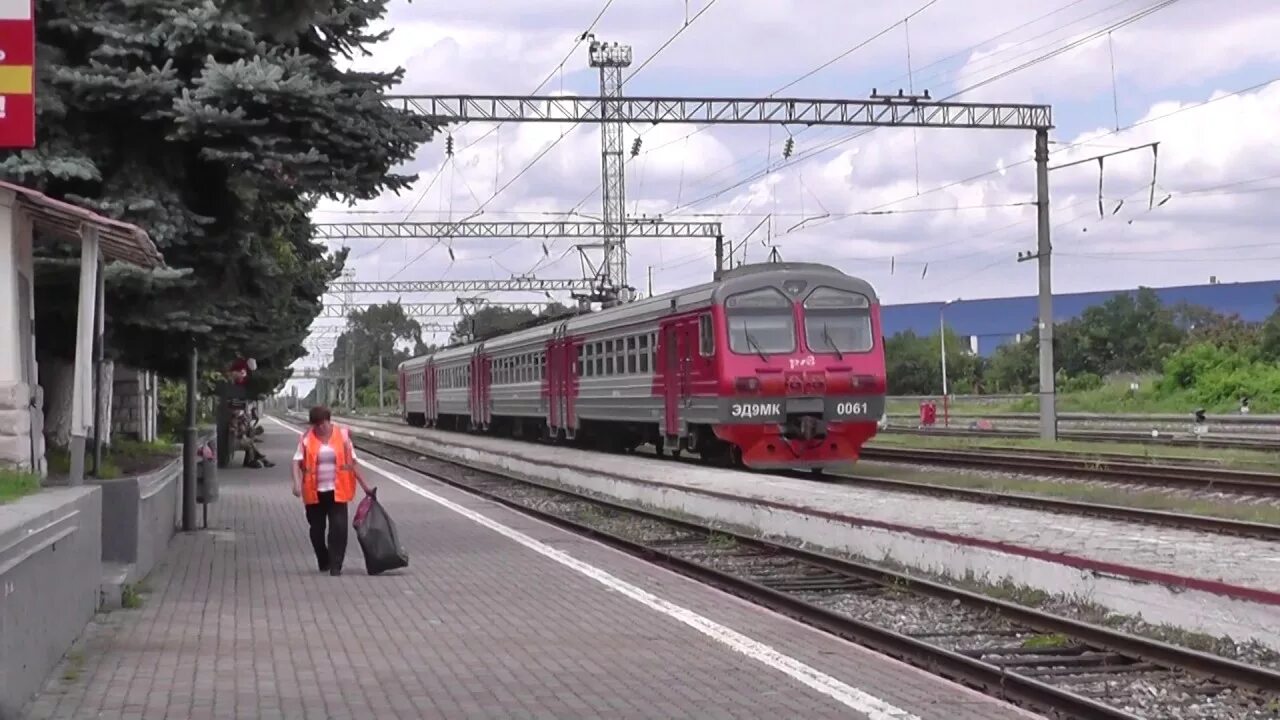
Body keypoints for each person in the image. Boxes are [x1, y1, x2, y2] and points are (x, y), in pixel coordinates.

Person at [291, 405, 374, 576]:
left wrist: (366, 486)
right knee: (316, 530)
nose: (320, 428)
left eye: (323, 424)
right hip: (314, 493)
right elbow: (296, 461)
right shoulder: (306, 438)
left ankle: (336, 565)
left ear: (329, 421)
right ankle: (323, 559)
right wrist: (296, 483)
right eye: (316, 425)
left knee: (339, 528)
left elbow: (352, 463)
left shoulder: (342, 437)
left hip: (338, 491)